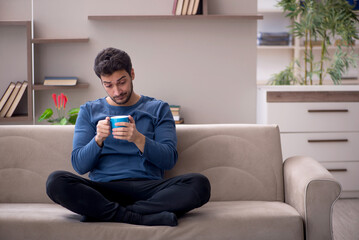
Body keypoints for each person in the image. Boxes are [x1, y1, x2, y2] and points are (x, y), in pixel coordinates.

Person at [46, 47, 211, 226]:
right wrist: (97, 140)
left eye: (121, 82)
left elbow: (169, 159)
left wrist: (138, 139)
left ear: (132, 74)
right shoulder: (89, 111)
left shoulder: (158, 108)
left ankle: (103, 212)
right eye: (108, 85)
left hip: (149, 188)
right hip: (104, 188)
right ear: (101, 83)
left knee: (199, 184)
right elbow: (79, 165)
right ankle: (139, 217)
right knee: (55, 182)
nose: (117, 91)